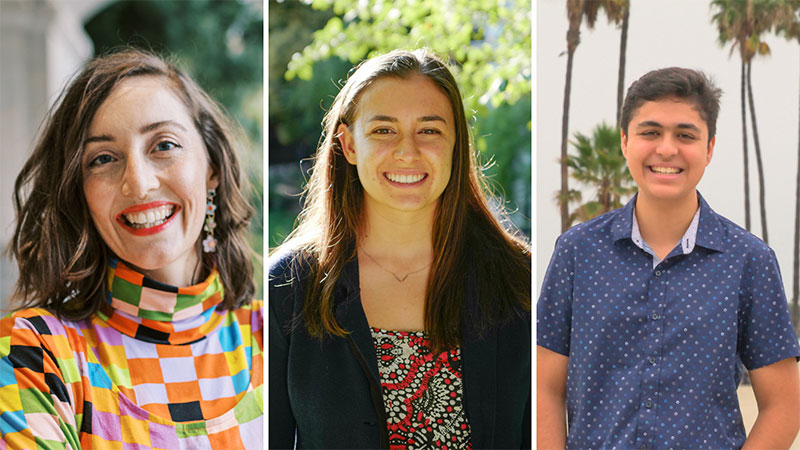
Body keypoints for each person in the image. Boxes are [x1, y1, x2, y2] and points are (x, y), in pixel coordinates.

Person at [269, 48, 531, 449]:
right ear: (349, 145)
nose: (408, 151)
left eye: (429, 130)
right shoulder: (287, 287)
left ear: (456, 143)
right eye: (383, 130)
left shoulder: (520, 281)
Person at [0, 49, 261, 449]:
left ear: (212, 167)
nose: (138, 184)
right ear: (79, 193)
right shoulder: (32, 353)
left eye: (164, 145)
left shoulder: (275, 332)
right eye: (103, 158)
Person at [537, 67, 800, 449]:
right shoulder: (578, 252)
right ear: (626, 141)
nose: (666, 149)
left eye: (685, 135)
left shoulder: (749, 261)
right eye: (650, 132)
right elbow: (546, 388)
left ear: (709, 148)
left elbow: (784, 404)